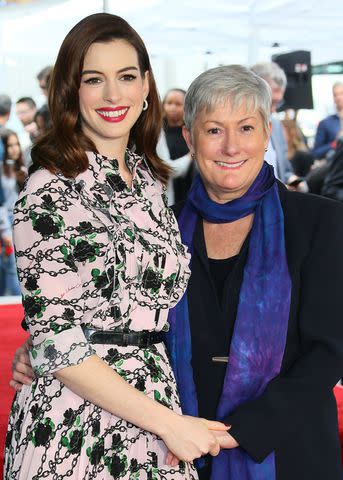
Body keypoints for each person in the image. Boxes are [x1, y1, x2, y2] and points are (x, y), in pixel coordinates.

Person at [4, 13, 229, 480]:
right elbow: (58, 340)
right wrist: (171, 424)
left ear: (146, 84)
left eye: (126, 76)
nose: (113, 95)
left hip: (154, 409)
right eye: (94, 79)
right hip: (77, 424)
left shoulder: (145, 179)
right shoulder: (50, 188)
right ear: (71, 90)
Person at [164, 65, 343, 479]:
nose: (231, 147)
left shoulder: (320, 223)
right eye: (213, 130)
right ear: (189, 138)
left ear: (266, 133)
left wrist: (243, 430)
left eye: (245, 128)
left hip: (289, 453)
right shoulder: (161, 230)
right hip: (179, 452)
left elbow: (331, 350)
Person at [0, 129, 26, 295]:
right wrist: (5, 230)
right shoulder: (2, 170)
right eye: (9, 145)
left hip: (22, 223)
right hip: (7, 222)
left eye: (16, 144)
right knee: (11, 268)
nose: (14, 149)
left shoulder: (23, 169)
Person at [161, 88, 193, 204]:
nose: (173, 108)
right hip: (168, 194)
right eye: (169, 103)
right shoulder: (158, 134)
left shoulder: (192, 133)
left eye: (178, 104)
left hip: (189, 190)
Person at [312, 81, 343, 160]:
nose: (338, 97)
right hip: (335, 167)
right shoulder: (325, 123)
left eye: (341, 93)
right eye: (335, 95)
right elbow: (316, 153)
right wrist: (335, 144)